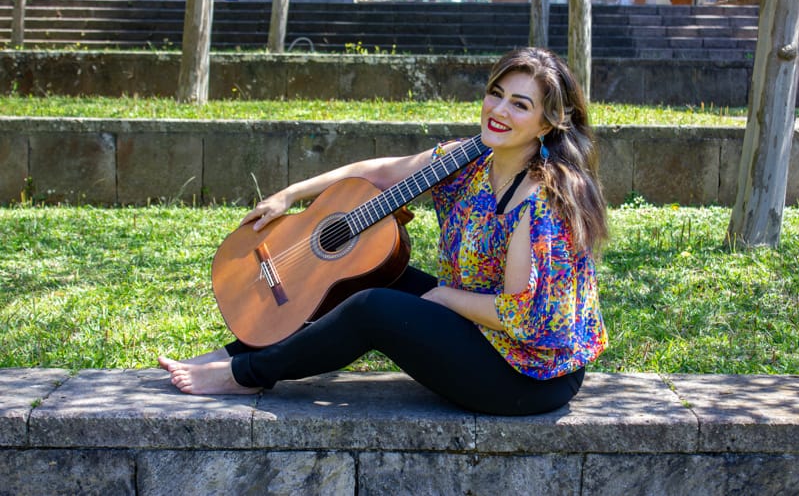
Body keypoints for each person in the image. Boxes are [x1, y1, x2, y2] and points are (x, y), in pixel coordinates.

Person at [159, 47, 609, 416]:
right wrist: (290, 195)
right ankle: (236, 353)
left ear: (548, 122)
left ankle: (245, 375)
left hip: (528, 377)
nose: (499, 110)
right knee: (366, 274)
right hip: (484, 334)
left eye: (520, 104)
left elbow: (524, 316)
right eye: (496, 94)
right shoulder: (471, 160)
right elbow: (377, 173)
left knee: (373, 307)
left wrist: (443, 296)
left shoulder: (543, 198)